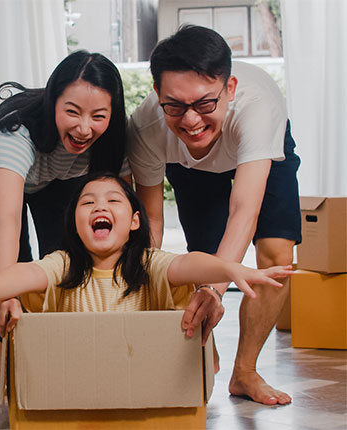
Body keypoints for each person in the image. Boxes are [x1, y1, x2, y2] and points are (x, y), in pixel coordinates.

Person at [127, 25, 302, 405]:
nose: (190, 120)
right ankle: (205, 353)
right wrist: (151, 283)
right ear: (157, 93)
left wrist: (215, 289)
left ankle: (245, 372)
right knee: (203, 258)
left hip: (257, 147)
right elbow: (151, 224)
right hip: (190, 165)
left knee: (275, 255)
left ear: (231, 89)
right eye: (175, 106)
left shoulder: (257, 110)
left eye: (206, 104)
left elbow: (244, 211)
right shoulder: (146, 127)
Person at [0, 173, 292, 334]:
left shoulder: (147, 264)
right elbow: (24, 274)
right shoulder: (64, 264)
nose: (100, 207)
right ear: (76, 223)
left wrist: (229, 266)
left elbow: (187, 262)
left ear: (133, 221)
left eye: (113, 200)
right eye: (88, 203)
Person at [0, 50, 133, 349]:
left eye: (98, 116)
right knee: (10, 277)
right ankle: (10, 364)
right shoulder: (16, 134)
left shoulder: (113, 137)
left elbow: (125, 213)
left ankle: (61, 353)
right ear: (53, 101)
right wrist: (4, 295)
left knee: (62, 264)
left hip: (59, 178)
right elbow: (7, 223)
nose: (84, 129)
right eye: (72, 112)